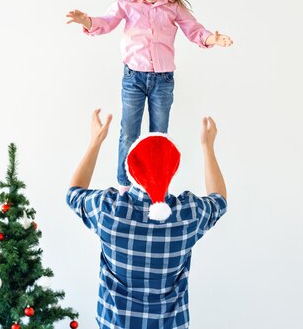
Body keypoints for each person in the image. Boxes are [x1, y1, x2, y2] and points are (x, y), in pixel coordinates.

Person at [66, 0, 234, 191]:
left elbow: (194, 30)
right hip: (132, 78)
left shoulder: (173, 7)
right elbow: (106, 22)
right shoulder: (126, 4)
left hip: (163, 81)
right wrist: (86, 20)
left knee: (158, 135)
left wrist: (212, 38)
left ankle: (156, 186)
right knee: (129, 133)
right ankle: (124, 185)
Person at [66, 109, 228, 329]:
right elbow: (219, 199)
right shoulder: (188, 214)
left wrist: (95, 142)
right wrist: (207, 147)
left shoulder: (108, 210)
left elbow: (74, 193)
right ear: (173, 170)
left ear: (129, 169)